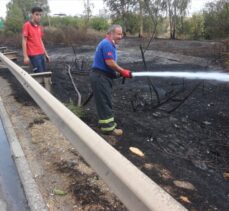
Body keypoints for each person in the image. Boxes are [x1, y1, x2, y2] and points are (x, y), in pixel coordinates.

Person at [90, 25, 132, 136]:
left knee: (102, 101)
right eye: (118, 34)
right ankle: (108, 129)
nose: (120, 36)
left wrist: (117, 73)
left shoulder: (108, 44)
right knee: (105, 102)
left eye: (121, 34)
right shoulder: (107, 44)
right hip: (100, 78)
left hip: (101, 76)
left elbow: (108, 65)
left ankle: (104, 124)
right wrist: (122, 71)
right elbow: (110, 62)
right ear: (111, 33)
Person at [22, 6, 50, 73]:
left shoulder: (39, 27)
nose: (39, 16)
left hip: (41, 54)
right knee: (39, 74)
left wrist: (46, 54)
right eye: (37, 14)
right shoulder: (27, 25)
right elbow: (24, 40)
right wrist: (25, 56)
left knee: (44, 73)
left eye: (40, 15)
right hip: (34, 55)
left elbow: (40, 40)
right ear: (32, 14)